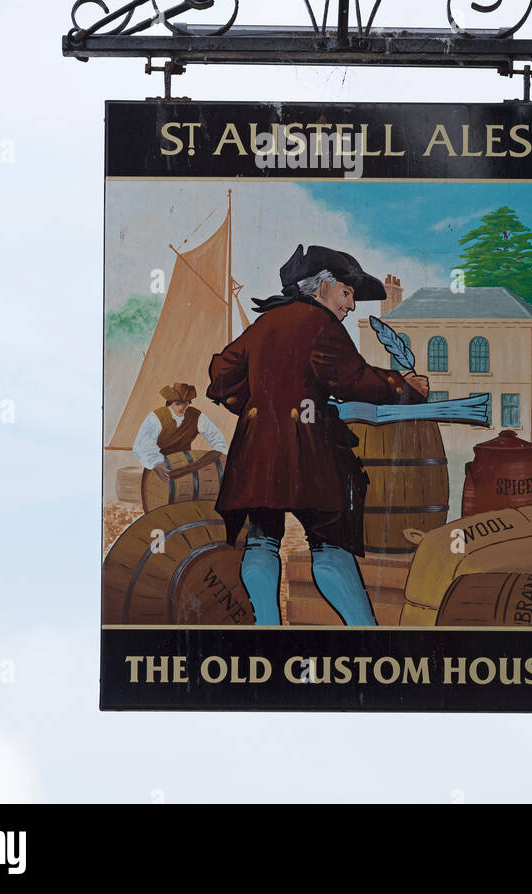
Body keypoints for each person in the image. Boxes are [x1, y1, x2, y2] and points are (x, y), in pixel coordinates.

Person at [206, 244, 428, 625]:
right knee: (329, 544)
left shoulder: (264, 324)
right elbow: (352, 380)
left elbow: (222, 374)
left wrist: (261, 405)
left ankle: (267, 629)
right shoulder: (320, 325)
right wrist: (404, 387)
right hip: (308, 452)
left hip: (256, 452)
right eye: (347, 293)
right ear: (322, 287)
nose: (351, 306)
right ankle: (365, 632)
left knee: (261, 540)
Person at [132, 382, 227, 485]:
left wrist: (218, 450)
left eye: (185, 403)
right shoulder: (156, 417)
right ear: (170, 403)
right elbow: (142, 445)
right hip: (162, 467)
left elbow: (215, 436)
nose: (181, 407)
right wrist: (155, 463)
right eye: (177, 404)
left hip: (186, 465)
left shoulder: (196, 416)